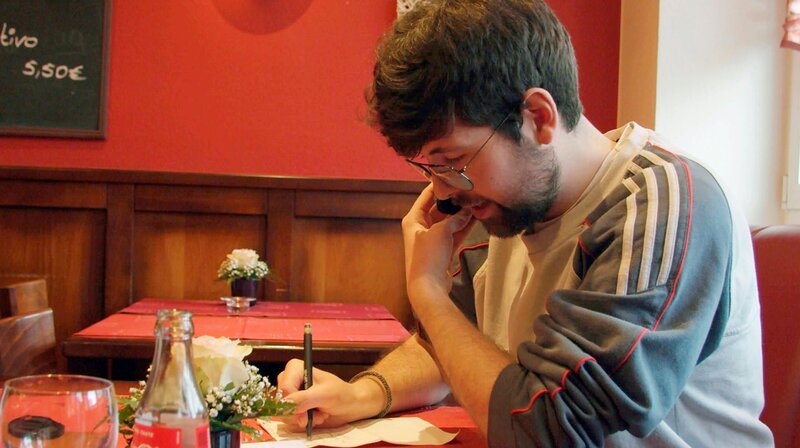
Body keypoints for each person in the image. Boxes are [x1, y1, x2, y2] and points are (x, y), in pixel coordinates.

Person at [277, 0, 775, 446]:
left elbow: (551, 429)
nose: (443, 192)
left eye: (453, 162)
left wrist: (426, 291)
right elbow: (455, 346)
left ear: (538, 116)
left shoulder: (660, 204)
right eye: (429, 168)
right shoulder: (509, 208)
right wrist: (363, 394)